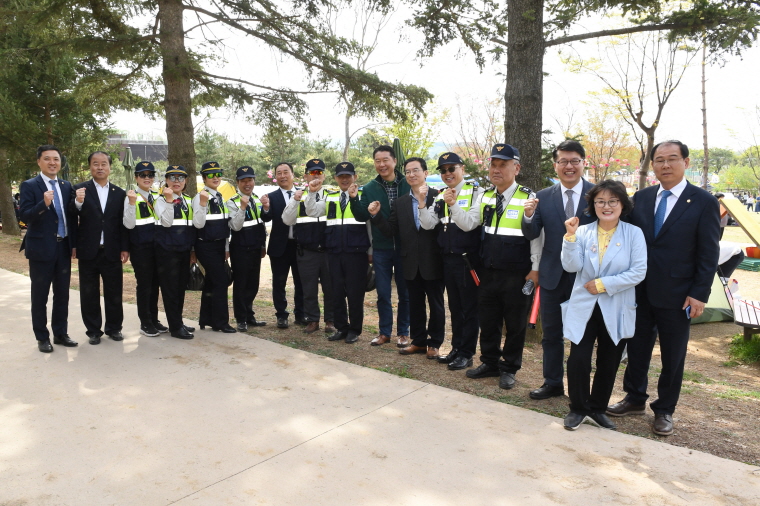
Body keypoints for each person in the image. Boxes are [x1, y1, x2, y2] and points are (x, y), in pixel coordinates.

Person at [607, 140, 720, 436]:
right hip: (640, 290)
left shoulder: (703, 201)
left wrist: (699, 293)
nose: (665, 165)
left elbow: (708, 253)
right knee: (638, 346)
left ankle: (665, 409)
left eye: (672, 159)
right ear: (652, 164)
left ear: (685, 162)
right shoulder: (641, 198)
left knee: (673, 354)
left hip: (679, 294)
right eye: (659, 160)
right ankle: (634, 398)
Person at [560, 180, 647, 430]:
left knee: (609, 360)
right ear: (592, 205)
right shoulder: (583, 232)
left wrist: (603, 284)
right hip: (584, 306)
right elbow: (571, 266)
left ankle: (597, 408)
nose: (606, 206)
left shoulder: (633, 234)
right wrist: (570, 237)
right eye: (600, 201)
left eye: (612, 201)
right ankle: (577, 408)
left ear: (622, 204)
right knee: (578, 358)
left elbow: (638, 271)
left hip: (616, 304)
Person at [458, 144, 543, 390]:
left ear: (516, 168)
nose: (496, 170)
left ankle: (509, 368)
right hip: (488, 271)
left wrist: (535, 269)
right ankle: (490, 363)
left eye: (502, 165)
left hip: (517, 273)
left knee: (515, 325)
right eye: (493, 165)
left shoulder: (528, 197)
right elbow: (468, 223)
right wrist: (453, 206)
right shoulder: (484, 196)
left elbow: (537, 237)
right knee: (489, 320)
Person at [522, 140, 596, 400]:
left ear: (583, 163)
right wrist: (529, 216)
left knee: (582, 337)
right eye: (563, 161)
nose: (569, 166)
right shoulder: (542, 196)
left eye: (574, 161)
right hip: (552, 275)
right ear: (555, 165)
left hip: (586, 277)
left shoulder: (597, 194)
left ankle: (579, 387)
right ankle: (552, 382)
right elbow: (531, 232)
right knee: (551, 335)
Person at [370, 157, 444, 359]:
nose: (411, 175)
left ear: (425, 173)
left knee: (436, 304)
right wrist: (376, 216)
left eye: (416, 171)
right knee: (415, 303)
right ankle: (419, 341)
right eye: (408, 172)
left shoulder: (440, 197)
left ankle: (435, 343)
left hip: (434, 260)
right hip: (410, 261)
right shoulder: (401, 202)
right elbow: (391, 230)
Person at [419, 152, 483, 370]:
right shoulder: (440, 195)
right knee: (455, 307)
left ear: (462, 168)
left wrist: (454, 204)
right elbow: (428, 224)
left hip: (468, 261)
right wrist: (421, 203)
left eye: (451, 168)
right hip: (447, 259)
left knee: (469, 309)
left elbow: (469, 224)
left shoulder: (476, 192)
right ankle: (456, 348)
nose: (447, 174)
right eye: (443, 170)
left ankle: (467, 353)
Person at [19, 145, 78, 353]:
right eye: (47, 159)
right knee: (40, 295)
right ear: (39, 162)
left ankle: (61, 334)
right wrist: (43, 204)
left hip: (63, 248)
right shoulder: (29, 185)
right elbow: (24, 216)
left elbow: (70, 217)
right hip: (41, 249)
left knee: (62, 294)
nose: (52, 162)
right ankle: (42, 337)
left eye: (56, 159)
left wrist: (73, 244)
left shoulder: (65, 185)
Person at [351, 145, 411, 347]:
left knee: (405, 293)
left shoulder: (408, 183)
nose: (382, 164)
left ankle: (404, 332)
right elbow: (361, 216)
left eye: (386, 160)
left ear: (394, 161)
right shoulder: (369, 188)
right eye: (378, 161)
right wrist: (353, 199)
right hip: (382, 248)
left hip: (405, 248)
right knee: (383, 293)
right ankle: (385, 332)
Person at [305, 162, 371, 344]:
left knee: (355, 293)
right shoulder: (330, 197)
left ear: (355, 177)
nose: (344, 179)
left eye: (348, 176)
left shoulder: (363, 197)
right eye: (341, 176)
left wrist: (371, 250)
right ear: (335, 178)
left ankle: (355, 330)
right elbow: (311, 211)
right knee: (336, 292)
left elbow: (369, 225)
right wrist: (311, 193)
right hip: (334, 252)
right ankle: (342, 328)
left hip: (356, 252)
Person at [72, 151, 129, 345]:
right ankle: (93, 330)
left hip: (112, 250)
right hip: (88, 250)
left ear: (110, 167)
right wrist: (78, 202)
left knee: (114, 292)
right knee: (89, 293)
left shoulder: (119, 193)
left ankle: (114, 328)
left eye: (104, 163)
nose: (100, 167)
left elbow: (122, 223)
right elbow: (72, 217)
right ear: (90, 167)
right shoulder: (80, 189)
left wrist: (124, 247)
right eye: (95, 163)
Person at [282, 159, 334, 334]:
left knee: (331, 288)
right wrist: (296, 201)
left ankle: (330, 320)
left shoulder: (331, 195)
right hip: (307, 252)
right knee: (309, 289)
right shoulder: (299, 196)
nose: (316, 176)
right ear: (305, 176)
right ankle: (312, 320)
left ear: (324, 175)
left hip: (328, 251)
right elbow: (287, 220)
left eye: (319, 172)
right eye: (312, 173)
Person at [123, 161, 168, 337]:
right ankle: (145, 322)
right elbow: (127, 224)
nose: (147, 178)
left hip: (157, 247)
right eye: (143, 175)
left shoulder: (157, 196)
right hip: (140, 248)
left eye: (150, 175)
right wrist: (132, 203)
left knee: (155, 284)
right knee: (144, 286)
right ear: (136, 178)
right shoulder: (130, 197)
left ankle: (154, 319)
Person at [154, 165, 197, 340]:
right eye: (172, 177)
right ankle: (175, 327)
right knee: (170, 290)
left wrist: (192, 250)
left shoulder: (187, 199)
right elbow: (166, 222)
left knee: (180, 289)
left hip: (184, 250)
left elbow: (192, 226)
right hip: (167, 251)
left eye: (180, 178)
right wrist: (170, 200)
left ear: (186, 181)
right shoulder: (160, 200)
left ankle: (178, 321)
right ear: (167, 180)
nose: (177, 181)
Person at [261, 162, 305, 329]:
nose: (282, 176)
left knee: (301, 281)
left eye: (285, 172)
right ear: (275, 177)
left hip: (300, 245)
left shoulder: (303, 194)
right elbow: (266, 218)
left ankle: (301, 314)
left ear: (292, 175)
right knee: (279, 282)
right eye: (278, 173)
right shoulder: (271, 196)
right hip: (279, 246)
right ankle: (281, 315)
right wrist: (265, 208)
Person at [193, 161, 235, 333]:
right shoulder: (200, 197)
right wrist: (203, 204)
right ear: (204, 178)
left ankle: (206, 318)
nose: (215, 177)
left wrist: (226, 247)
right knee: (220, 281)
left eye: (218, 174)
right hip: (205, 245)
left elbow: (224, 225)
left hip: (218, 245)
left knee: (212, 281)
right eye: (210, 175)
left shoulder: (220, 198)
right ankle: (220, 322)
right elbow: (198, 223)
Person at [227, 166, 268, 331]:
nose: (247, 183)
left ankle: (249, 315)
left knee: (253, 284)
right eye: (243, 180)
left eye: (250, 180)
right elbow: (235, 227)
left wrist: (263, 246)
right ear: (237, 182)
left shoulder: (257, 199)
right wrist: (242, 208)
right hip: (240, 248)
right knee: (241, 284)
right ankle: (241, 318)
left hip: (255, 248)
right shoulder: (231, 202)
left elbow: (261, 224)